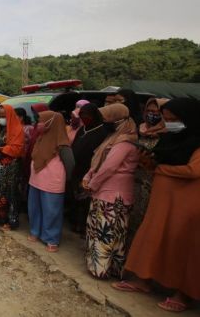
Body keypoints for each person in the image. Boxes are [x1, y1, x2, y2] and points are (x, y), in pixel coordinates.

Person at [112, 98, 200, 313]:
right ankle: (143, 280)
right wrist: (147, 161)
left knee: (182, 245)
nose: (169, 123)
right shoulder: (169, 139)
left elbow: (193, 171)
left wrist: (161, 170)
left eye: (174, 119)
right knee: (152, 237)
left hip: (186, 202)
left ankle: (183, 293)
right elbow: (158, 163)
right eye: (166, 119)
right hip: (162, 199)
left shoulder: (197, 141)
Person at [82, 104, 139, 279]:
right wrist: (88, 176)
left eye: (108, 120)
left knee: (105, 233)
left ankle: (100, 269)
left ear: (119, 121)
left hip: (112, 195)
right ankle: (111, 268)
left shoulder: (125, 143)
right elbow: (99, 161)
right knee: (112, 233)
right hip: (108, 192)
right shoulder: (114, 138)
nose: (105, 123)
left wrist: (92, 184)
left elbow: (108, 167)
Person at [27, 111, 74, 253]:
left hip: (52, 182)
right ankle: (35, 231)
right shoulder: (41, 137)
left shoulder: (62, 143)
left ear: (51, 123)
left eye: (42, 121)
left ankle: (51, 238)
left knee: (52, 211)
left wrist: (68, 180)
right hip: (36, 179)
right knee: (35, 208)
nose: (39, 124)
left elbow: (70, 164)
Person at [126, 98, 168, 248]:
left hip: (152, 184)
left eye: (157, 112)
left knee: (145, 222)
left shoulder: (167, 135)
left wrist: (149, 161)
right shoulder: (140, 129)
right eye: (149, 111)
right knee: (131, 218)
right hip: (133, 179)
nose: (152, 114)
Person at [68, 103, 110, 234]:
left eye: (86, 116)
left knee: (86, 201)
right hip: (77, 169)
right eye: (82, 116)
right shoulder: (82, 129)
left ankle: (84, 227)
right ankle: (74, 223)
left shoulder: (102, 132)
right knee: (75, 198)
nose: (84, 118)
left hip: (90, 170)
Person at [0, 104, 25, 230]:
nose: (1, 119)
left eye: (4, 116)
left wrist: (0, 149)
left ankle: (9, 220)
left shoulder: (17, 129)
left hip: (10, 168)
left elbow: (17, 149)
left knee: (9, 193)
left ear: (10, 115)